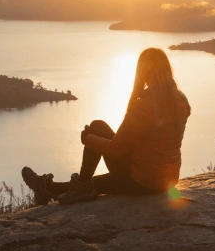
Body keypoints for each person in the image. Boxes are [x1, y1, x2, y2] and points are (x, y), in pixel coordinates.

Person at [22, 47, 191, 204]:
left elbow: (116, 151)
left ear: (144, 72)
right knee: (93, 172)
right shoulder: (181, 100)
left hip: (142, 182)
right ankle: (50, 187)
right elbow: (156, 142)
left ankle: (49, 187)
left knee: (95, 129)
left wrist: (88, 139)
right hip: (166, 179)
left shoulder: (145, 105)